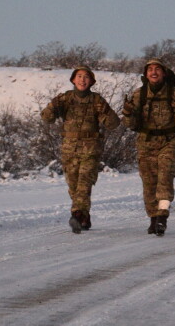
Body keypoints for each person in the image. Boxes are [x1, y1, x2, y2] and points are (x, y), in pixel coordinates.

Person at [41, 66, 120, 234]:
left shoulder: (96, 100)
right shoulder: (65, 99)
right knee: (74, 186)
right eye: (79, 76)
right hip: (69, 148)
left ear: (91, 81)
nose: (82, 80)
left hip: (90, 148)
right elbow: (47, 118)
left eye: (86, 77)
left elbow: (113, 124)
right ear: (73, 80)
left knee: (84, 182)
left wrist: (106, 112)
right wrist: (53, 105)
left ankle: (76, 215)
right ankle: (84, 216)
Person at [121, 58, 175, 236]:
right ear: (145, 74)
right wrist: (128, 113)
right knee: (149, 183)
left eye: (157, 69)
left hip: (168, 141)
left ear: (164, 73)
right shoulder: (139, 94)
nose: (154, 72)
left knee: (165, 179)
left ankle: (162, 216)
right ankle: (153, 218)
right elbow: (130, 124)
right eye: (150, 69)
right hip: (146, 143)